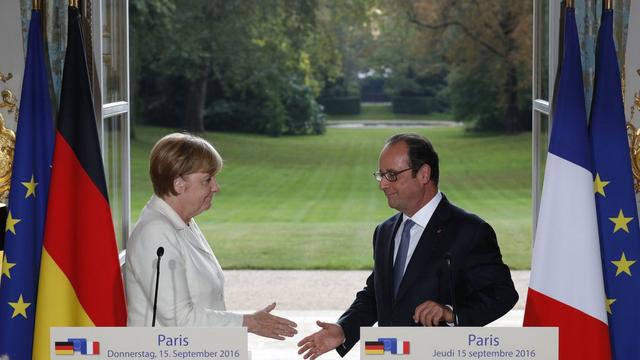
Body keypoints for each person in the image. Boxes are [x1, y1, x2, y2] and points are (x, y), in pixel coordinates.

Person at [297, 133, 518, 358]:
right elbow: (375, 295)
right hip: (386, 353)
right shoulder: (384, 232)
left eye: (391, 175)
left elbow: (502, 294)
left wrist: (451, 314)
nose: (383, 184)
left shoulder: (469, 230)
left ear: (423, 174)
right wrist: (345, 329)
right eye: (381, 175)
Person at [125, 132, 297, 340]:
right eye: (207, 180)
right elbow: (179, 320)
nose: (216, 187)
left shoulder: (183, 222)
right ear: (178, 184)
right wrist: (249, 322)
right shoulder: (155, 234)